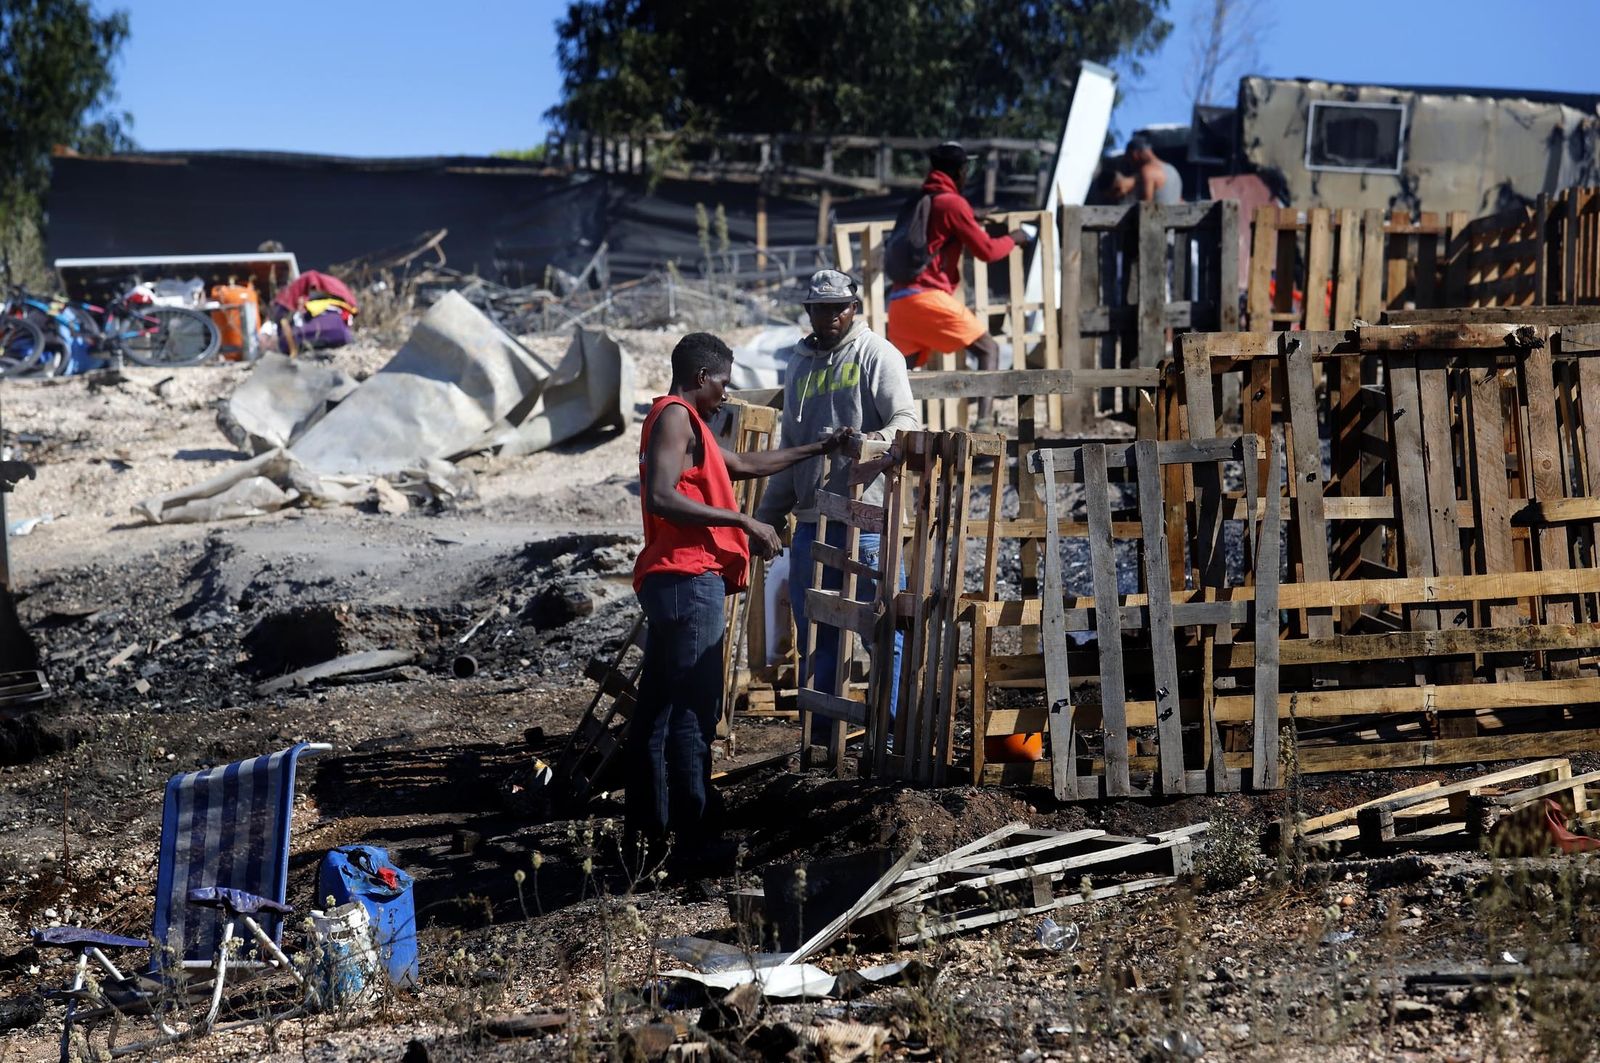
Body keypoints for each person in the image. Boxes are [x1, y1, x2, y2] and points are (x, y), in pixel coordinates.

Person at [629, 332, 844, 875]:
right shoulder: (676, 416)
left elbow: (746, 465)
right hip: (685, 577)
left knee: (658, 711)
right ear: (703, 376)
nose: (727, 392)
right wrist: (745, 521)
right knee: (693, 711)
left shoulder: (688, 422)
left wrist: (819, 448)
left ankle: (648, 838)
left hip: (677, 580)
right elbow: (660, 494)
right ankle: (696, 839)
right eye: (724, 381)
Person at [757, 269, 919, 729]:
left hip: (864, 519)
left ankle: (890, 734)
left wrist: (872, 444)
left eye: (837, 307)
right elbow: (793, 444)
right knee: (817, 633)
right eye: (819, 308)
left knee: (881, 630)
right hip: (811, 521)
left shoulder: (877, 354)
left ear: (854, 308)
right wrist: (766, 518)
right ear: (808, 311)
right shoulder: (799, 364)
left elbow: (906, 421)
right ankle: (824, 740)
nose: (829, 316)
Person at [885, 140, 1035, 428]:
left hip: (900, 302)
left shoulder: (920, 199)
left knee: (901, 370)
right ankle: (983, 426)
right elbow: (987, 251)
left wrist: (970, 216)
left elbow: (936, 227)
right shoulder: (953, 203)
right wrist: (1016, 238)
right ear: (962, 171)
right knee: (988, 350)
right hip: (926, 297)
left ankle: (884, 427)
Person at [1126, 135, 1183, 204]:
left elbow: (1145, 207)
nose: (1130, 164)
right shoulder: (1173, 170)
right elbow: (1180, 200)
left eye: (1129, 159)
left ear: (1135, 154)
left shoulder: (1147, 171)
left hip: (1160, 214)